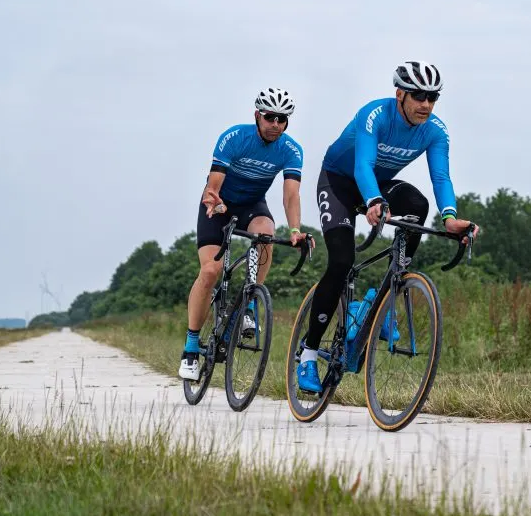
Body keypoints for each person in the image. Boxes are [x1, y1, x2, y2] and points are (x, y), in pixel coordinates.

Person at [296, 61, 480, 392]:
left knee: (418, 206)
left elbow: (441, 177)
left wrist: (450, 219)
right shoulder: (375, 115)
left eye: (432, 97)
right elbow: (362, 164)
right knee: (341, 262)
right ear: (400, 94)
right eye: (419, 96)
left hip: (378, 185)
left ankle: (385, 297)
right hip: (340, 182)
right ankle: (308, 354)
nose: (426, 104)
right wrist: (373, 202)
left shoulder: (435, 130)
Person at [179, 87, 310, 381]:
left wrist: (296, 229)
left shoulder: (291, 149)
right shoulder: (235, 137)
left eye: (283, 119)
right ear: (257, 116)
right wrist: (214, 197)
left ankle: (249, 301)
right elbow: (214, 184)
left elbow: (291, 195)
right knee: (210, 271)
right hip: (219, 203)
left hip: (252, 205)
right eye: (270, 117)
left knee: (266, 231)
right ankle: (190, 347)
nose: (276, 124)